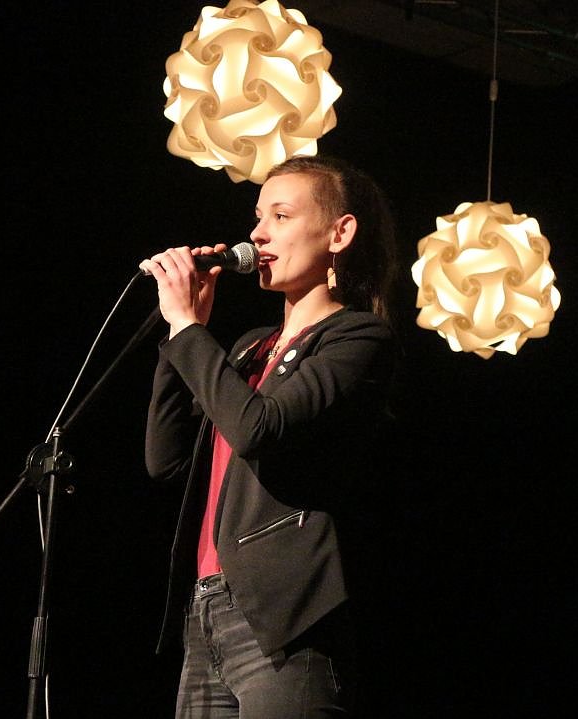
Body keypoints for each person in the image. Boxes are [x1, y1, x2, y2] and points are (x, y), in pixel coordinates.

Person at [139, 154, 409, 718]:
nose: (258, 233)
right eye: (258, 217)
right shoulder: (249, 348)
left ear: (340, 233)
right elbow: (166, 460)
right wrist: (181, 335)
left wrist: (189, 332)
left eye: (281, 216)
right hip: (205, 610)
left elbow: (258, 429)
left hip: (283, 614)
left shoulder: (357, 338)